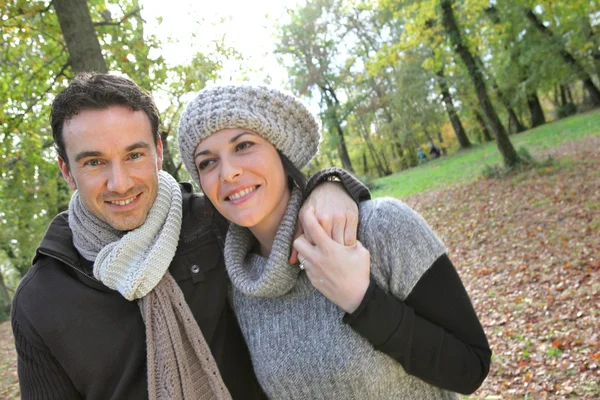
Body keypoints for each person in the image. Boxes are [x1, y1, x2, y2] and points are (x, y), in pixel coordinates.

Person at [10, 73, 369, 400]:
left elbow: (280, 197)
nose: (120, 183)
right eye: (94, 162)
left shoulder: (214, 221)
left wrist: (333, 184)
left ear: (158, 152)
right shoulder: (41, 299)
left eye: (134, 155)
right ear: (66, 171)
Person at [177, 85, 492, 399]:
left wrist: (362, 300)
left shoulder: (381, 228)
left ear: (279, 150)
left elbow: (471, 368)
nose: (228, 172)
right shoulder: (239, 284)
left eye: (243, 145)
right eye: (207, 162)